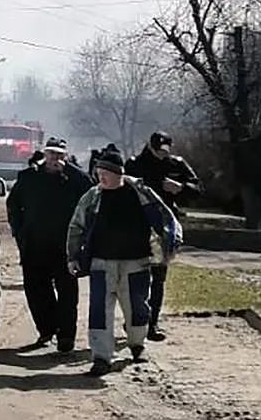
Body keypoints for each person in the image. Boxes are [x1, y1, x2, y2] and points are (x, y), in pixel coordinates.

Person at [67, 147, 182, 377]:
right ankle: (101, 357)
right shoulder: (92, 197)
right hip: (101, 262)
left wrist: (170, 244)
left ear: (118, 173)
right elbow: (76, 227)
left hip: (136, 262)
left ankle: (137, 345)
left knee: (137, 308)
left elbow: (165, 218)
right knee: (99, 311)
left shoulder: (141, 194)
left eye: (104, 173)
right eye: (98, 173)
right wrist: (72, 256)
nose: (100, 177)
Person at [6, 136, 94, 352]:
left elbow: (92, 196)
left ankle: (66, 337)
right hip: (34, 244)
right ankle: (46, 329)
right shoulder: (29, 177)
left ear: (65, 155)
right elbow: (13, 205)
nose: (55, 158)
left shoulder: (75, 178)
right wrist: (19, 232)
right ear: (44, 154)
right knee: (36, 291)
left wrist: (69, 170)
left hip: (65, 246)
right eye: (51, 153)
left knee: (67, 293)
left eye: (59, 154)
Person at [124, 131, 202, 342]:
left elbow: (198, 189)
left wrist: (181, 188)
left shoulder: (176, 164)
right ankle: (134, 317)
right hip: (137, 227)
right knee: (136, 276)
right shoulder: (134, 165)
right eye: (158, 151)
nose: (162, 155)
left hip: (163, 229)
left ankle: (151, 322)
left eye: (165, 151)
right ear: (149, 146)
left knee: (158, 279)